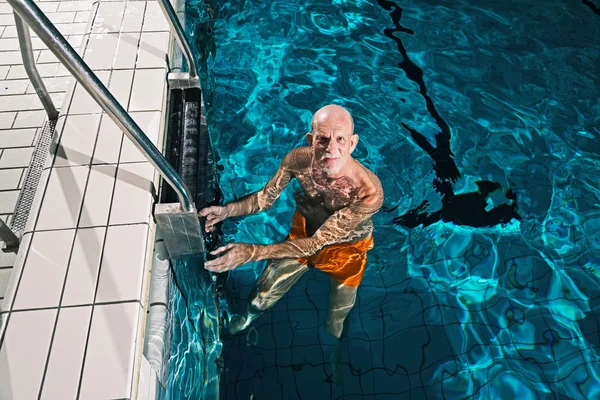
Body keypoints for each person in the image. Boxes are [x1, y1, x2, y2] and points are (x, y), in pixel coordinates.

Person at [199, 104, 384, 341]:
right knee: (258, 298)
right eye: (323, 139)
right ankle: (245, 319)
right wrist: (227, 210)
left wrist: (253, 252)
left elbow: (318, 243)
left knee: (335, 322)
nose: (331, 148)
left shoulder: (368, 192)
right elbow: (264, 199)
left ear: (352, 143)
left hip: (347, 249)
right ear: (310, 139)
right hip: (303, 231)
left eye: (340, 139)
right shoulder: (297, 161)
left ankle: (336, 353)